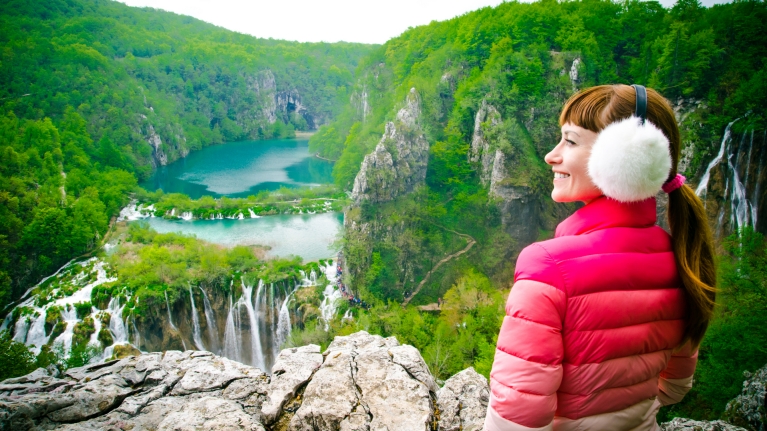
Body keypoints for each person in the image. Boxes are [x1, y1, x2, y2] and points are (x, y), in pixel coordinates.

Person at [484, 84, 716, 431]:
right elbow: (674, 386)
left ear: (626, 157)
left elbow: (517, 416)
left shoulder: (547, 267)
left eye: (570, 141)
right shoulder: (683, 257)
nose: (551, 155)